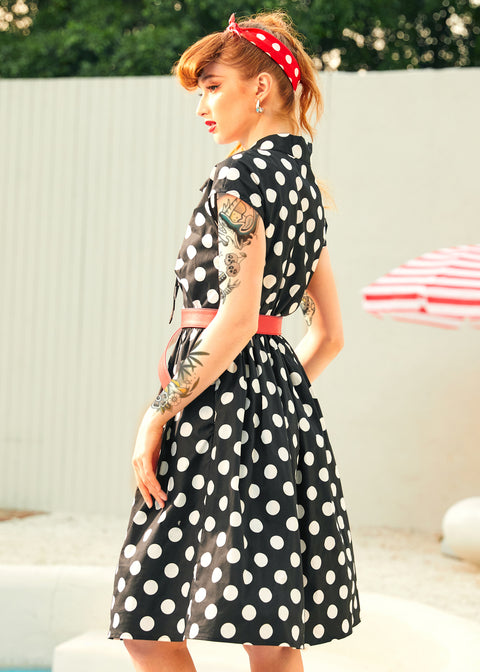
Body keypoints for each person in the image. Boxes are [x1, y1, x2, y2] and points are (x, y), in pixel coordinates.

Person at [108, 10, 361, 672]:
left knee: (147, 619)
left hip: (212, 407)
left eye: (213, 87)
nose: (202, 107)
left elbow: (237, 318)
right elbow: (330, 335)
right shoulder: (304, 188)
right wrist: (275, 402)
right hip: (276, 415)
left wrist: (159, 412)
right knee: (269, 635)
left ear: (262, 88)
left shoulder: (239, 179)